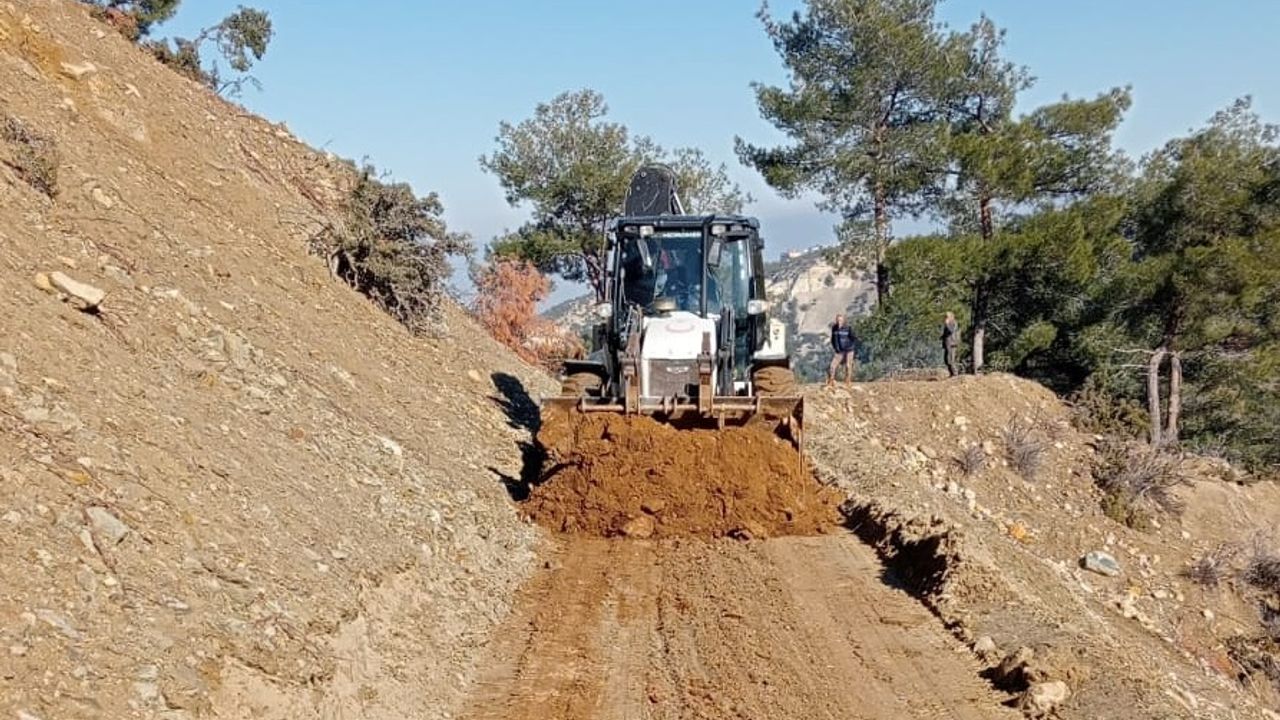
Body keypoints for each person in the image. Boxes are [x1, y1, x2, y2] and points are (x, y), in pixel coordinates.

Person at [828, 314, 857, 387]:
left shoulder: (848, 328)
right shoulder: (834, 328)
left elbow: (853, 337)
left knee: (848, 365)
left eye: (840, 320)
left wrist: (850, 345)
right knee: (832, 365)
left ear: (843, 321)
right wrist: (835, 347)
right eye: (838, 320)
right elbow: (833, 339)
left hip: (849, 350)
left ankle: (848, 381)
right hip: (839, 350)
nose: (839, 322)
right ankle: (831, 380)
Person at [942, 311, 960, 377]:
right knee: (946, 359)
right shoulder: (948, 323)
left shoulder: (953, 323)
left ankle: (955, 374)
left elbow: (951, 330)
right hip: (947, 344)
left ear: (951, 317)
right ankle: (951, 373)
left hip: (952, 344)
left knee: (951, 360)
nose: (945, 318)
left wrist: (947, 324)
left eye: (946, 316)